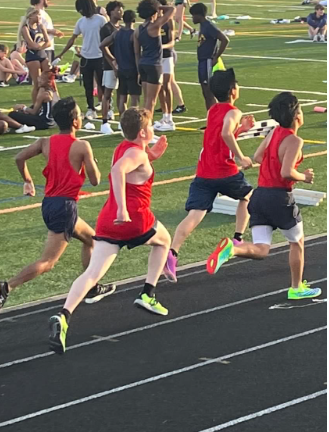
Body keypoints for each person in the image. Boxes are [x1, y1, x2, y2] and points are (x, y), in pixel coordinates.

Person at [48, 107, 171, 354]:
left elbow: (131, 165)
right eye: (152, 127)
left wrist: (152, 155)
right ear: (145, 131)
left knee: (93, 273)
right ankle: (148, 293)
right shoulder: (137, 154)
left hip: (108, 221)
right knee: (164, 240)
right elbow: (118, 171)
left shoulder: (124, 148)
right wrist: (123, 210)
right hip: (133, 217)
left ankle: (64, 315)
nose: (154, 130)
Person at [0, 97, 116, 311]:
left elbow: (19, 158)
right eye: (80, 115)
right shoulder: (82, 146)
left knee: (93, 240)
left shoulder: (45, 142)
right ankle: (7, 287)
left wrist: (28, 181)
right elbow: (95, 180)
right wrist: (91, 162)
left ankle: (91, 287)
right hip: (65, 207)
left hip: (50, 203)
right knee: (48, 262)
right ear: (75, 122)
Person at [206, 92, 322, 301]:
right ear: (296, 116)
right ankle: (296, 287)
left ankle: (233, 249)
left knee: (261, 248)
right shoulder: (294, 140)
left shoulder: (274, 132)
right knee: (297, 243)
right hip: (280, 198)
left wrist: (274, 165)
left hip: (259, 196)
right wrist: (303, 176)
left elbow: (259, 156)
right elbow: (287, 172)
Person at [164, 69, 254, 282]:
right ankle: (238, 239)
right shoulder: (234, 111)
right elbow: (225, 133)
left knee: (195, 215)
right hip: (225, 171)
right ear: (233, 91)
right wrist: (241, 158)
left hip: (204, 172)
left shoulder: (213, 110)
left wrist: (241, 130)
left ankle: (172, 254)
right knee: (248, 196)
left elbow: (219, 134)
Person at [55, 0, 107, 120]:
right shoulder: (81, 22)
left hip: (99, 57)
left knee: (102, 84)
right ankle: (91, 108)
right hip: (86, 58)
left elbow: (107, 36)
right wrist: (61, 53)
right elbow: (72, 39)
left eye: (82, 9)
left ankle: (107, 107)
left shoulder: (101, 20)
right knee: (87, 85)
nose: (81, 12)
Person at [134, 0, 175, 117]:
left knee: (146, 100)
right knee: (151, 102)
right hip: (154, 65)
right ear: (154, 12)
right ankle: (147, 129)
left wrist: (138, 71)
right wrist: (158, 7)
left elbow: (136, 53)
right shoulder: (155, 26)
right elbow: (172, 10)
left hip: (143, 65)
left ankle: (143, 128)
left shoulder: (138, 29)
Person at [100, 10, 141, 123]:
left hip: (121, 69)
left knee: (122, 97)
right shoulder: (134, 34)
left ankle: (123, 121)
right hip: (132, 69)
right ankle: (133, 121)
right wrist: (139, 71)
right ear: (133, 20)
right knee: (134, 97)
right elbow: (137, 53)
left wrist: (112, 60)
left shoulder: (117, 33)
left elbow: (102, 45)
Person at [190, 2, 229, 111]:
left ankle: (214, 119)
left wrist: (216, 57)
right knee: (205, 92)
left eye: (193, 15)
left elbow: (224, 39)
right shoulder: (203, 25)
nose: (192, 18)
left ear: (199, 15)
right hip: (202, 61)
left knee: (209, 92)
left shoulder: (209, 26)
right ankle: (211, 118)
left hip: (207, 60)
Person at [99, 1, 124, 135]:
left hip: (123, 65)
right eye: (117, 10)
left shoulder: (121, 28)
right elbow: (104, 48)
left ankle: (122, 121)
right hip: (109, 65)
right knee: (108, 93)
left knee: (122, 93)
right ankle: (104, 122)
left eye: (121, 10)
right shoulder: (106, 28)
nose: (120, 12)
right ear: (111, 12)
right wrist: (113, 63)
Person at [17, 7, 51, 103]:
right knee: (37, 83)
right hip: (32, 57)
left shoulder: (41, 26)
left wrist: (39, 46)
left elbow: (48, 42)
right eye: (37, 14)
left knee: (48, 81)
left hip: (43, 55)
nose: (39, 17)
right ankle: (35, 105)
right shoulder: (26, 28)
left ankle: (48, 103)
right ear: (31, 16)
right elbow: (32, 45)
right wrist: (41, 45)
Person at [154, 0, 176, 132]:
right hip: (156, 58)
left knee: (166, 85)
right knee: (159, 87)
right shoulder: (153, 21)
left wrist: (162, 47)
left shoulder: (169, 21)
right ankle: (164, 115)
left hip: (167, 56)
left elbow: (172, 41)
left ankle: (170, 117)